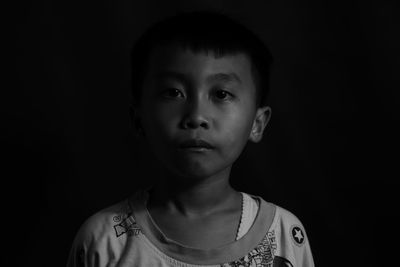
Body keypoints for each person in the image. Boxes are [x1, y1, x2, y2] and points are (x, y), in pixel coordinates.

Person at [67, 11, 314, 267]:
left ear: (257, 123)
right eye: (174, 92)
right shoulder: (104, 240)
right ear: (138, 118)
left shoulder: (284, 234)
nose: (196, 116)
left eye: (221, 94)